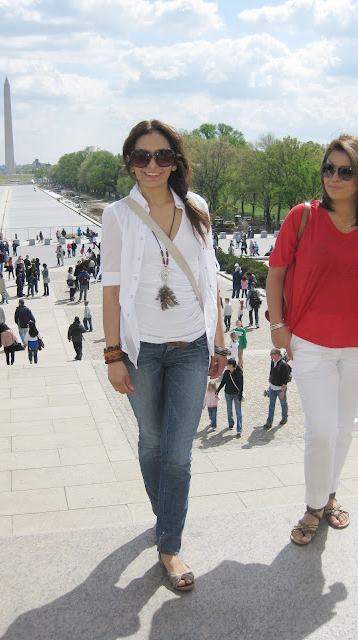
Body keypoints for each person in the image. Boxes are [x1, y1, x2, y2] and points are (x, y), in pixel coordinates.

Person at [266, 134, 358, 545]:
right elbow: (276, 272)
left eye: (345, 170)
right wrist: (278, 327)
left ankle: (329, 496)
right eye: (329, 168)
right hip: (310, 341)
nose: (334, 177)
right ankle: (313, 506)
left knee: (344, 427)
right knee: (321, 430)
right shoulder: (303, 216)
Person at [101, 119, 226, 591]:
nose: (152, 166)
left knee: (177, 453)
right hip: (142, 350)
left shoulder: (197, 208)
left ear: (176, 161)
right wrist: (113, 354)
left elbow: (209, 278)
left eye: (162, 156)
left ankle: (169, 545)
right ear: (129, 162)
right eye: (142, 156)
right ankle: (165, 518)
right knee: (151, 442)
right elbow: (112, 292)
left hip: (192, 345)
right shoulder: (118, 215)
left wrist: (219, 341)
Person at [263, 348, 290, 429]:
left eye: (272, 354)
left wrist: (282, 391)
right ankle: (269, 423)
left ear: (277, 355)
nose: (270, 355)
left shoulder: (283, 365)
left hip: (279, 388)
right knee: (271, 405)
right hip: (272, 387)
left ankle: (284, 418)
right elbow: (271, 370)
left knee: (283, 403)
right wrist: (270, 377)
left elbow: (285, 380)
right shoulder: (272, 361)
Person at [217, 358, 243, 437]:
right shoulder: (226, 373)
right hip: (227, 394)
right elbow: (223, 382)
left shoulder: (239, 373)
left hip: (236, 394)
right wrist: (217, 390)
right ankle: (231, 424)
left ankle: (239, 429)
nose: (226, 366)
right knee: (229, 410)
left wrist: (240, 396)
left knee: (238, 412)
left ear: (231, 365)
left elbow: (241, 386)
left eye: (227, 364)